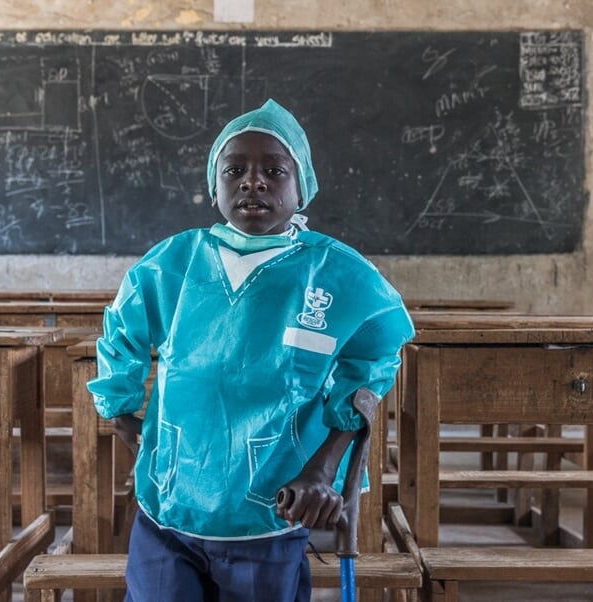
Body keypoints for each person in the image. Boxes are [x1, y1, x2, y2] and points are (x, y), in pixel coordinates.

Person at [87, 98, 414, 602]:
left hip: (269, 507)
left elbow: (369, 370)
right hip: (170, 505)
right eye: (234, 169)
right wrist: (129, 423)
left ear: (301, 185)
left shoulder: (336, 275)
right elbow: (120, 336)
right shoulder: (173, 262)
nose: (252, 182)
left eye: (274, 171)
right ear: (213, 186)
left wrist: (322, 469)